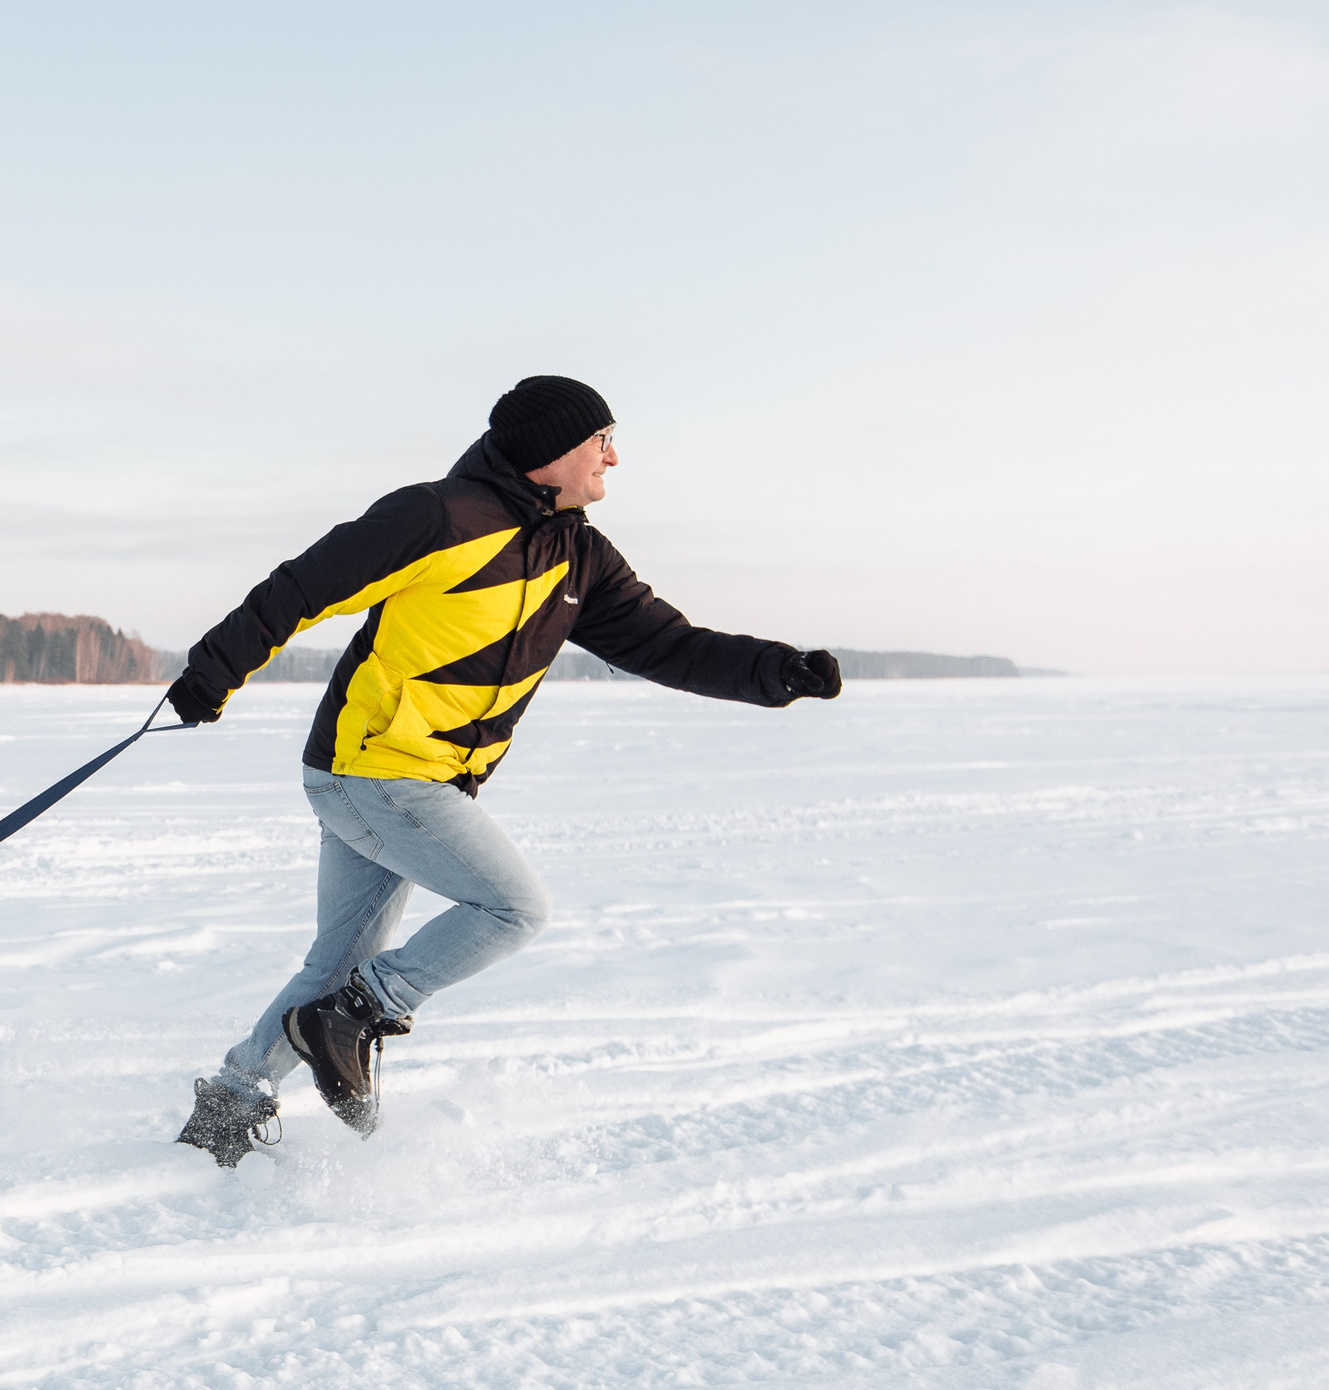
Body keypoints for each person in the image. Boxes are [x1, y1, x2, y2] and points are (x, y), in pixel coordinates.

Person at [163, 375, 842, 1166]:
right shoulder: (440, 516)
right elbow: (305, 588)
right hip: (378, 769)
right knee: (514, 908)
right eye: (602, 441)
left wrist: (777, 671)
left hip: (410, 778)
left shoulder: (577, 554)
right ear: (554, 451)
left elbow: (669, 643)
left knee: (338, 961)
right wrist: (215, 671)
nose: (613, 458)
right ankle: (359, 1014)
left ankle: (230, 1106)